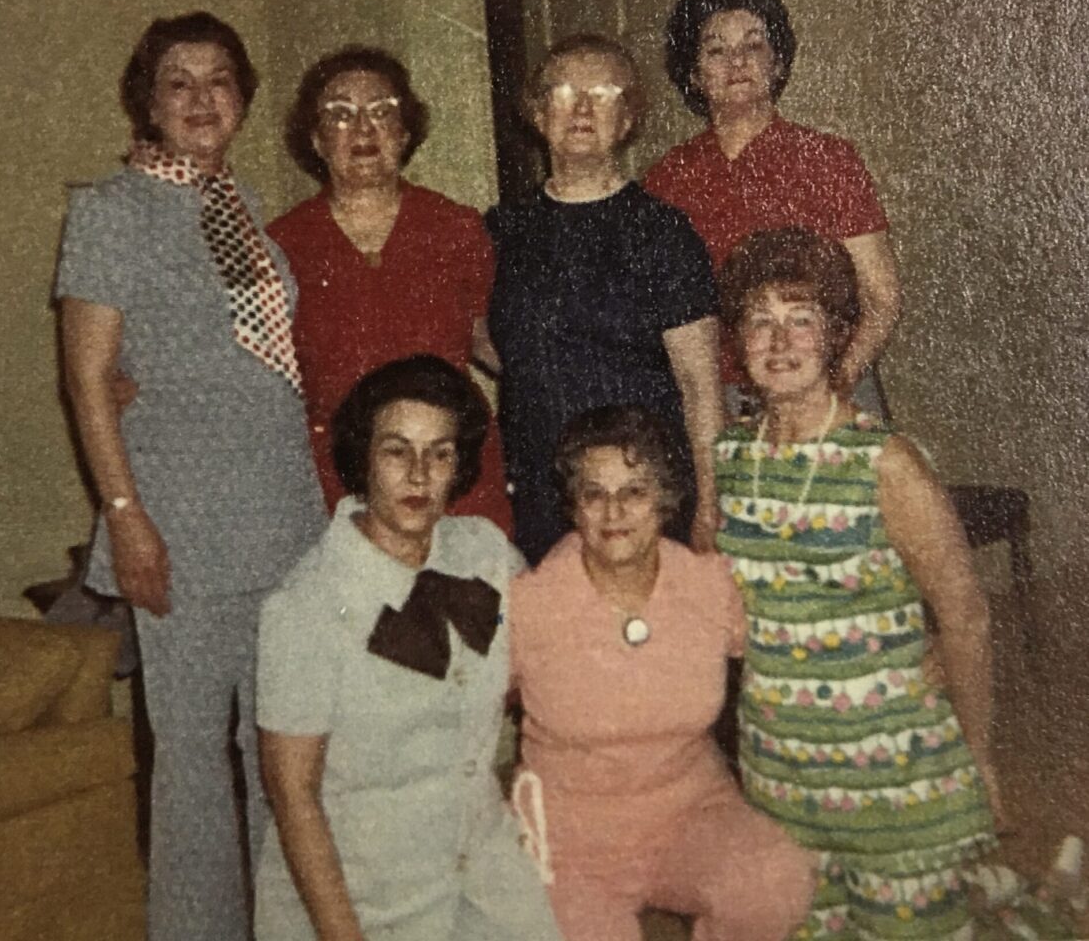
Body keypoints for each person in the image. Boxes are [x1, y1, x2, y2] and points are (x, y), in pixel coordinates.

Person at [713, 227, 1082, 938]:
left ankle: (1037, 907)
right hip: (781, 779)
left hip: (897, 781)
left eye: (802, 319)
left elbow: (967, 617)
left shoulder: (886, 463)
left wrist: (978, 758)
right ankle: (1019, 898)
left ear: (837, 334)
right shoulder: (730, 457)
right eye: (761, 320)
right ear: (738, 338)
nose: (780, 340)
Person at [56, 12, 327, 941]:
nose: (202, 99)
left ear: (243, 100)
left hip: (282, 511)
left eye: (220, 81)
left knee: (278, 748)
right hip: (177, 516)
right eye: (180, 81)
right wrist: (126, 517)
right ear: (149, 99)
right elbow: (88, 377)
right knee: (190, 758)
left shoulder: (243, 209)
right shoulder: (109, 209)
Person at [254, 355, 563, 941]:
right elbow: (293, 798)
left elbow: (556, 649)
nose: (419, 475)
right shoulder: (305, 608)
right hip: (365, 893)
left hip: (482, 866)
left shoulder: (485, 553)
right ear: (363, 460)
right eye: (397, 451)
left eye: (440, 453)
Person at [508, 404, 816, 941]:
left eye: (634, 492)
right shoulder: (531, 603)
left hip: (690, 813)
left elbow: (796, 644)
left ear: (666, 500)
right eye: (594, 494)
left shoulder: (708, 585)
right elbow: (453, 704)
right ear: (574, 507)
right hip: (569, 837)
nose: (613, 512)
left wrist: (915, 653)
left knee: (775, 881)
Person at [485, 34, 724, 563]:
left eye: (604, 92)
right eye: (565, 92)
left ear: (629, 117)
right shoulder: (500, 230)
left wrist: (711, 503)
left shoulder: (663, 233)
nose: (583, 108)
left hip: (642, 498)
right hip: (543, 492)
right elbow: (488, 340)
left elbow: (700, 385)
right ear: (538, 113)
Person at [267, 47, 510, 531]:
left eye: (382, 111)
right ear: (316, 138)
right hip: (340, 476)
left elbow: (490, 341)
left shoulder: (454, 226)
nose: (362, 129)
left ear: (404, 132)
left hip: (453, 468)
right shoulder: (280, 244)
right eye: (340, 114)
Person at [645, 0, 900, 417]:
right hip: (718, 403)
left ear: (778, 63)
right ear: (694, 74)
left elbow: (881, 296)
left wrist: (836, 384)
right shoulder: (667, 178)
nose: (737, 61)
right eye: (716, 50)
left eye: (753, 45)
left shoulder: (828, 159)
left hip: (829, 389)